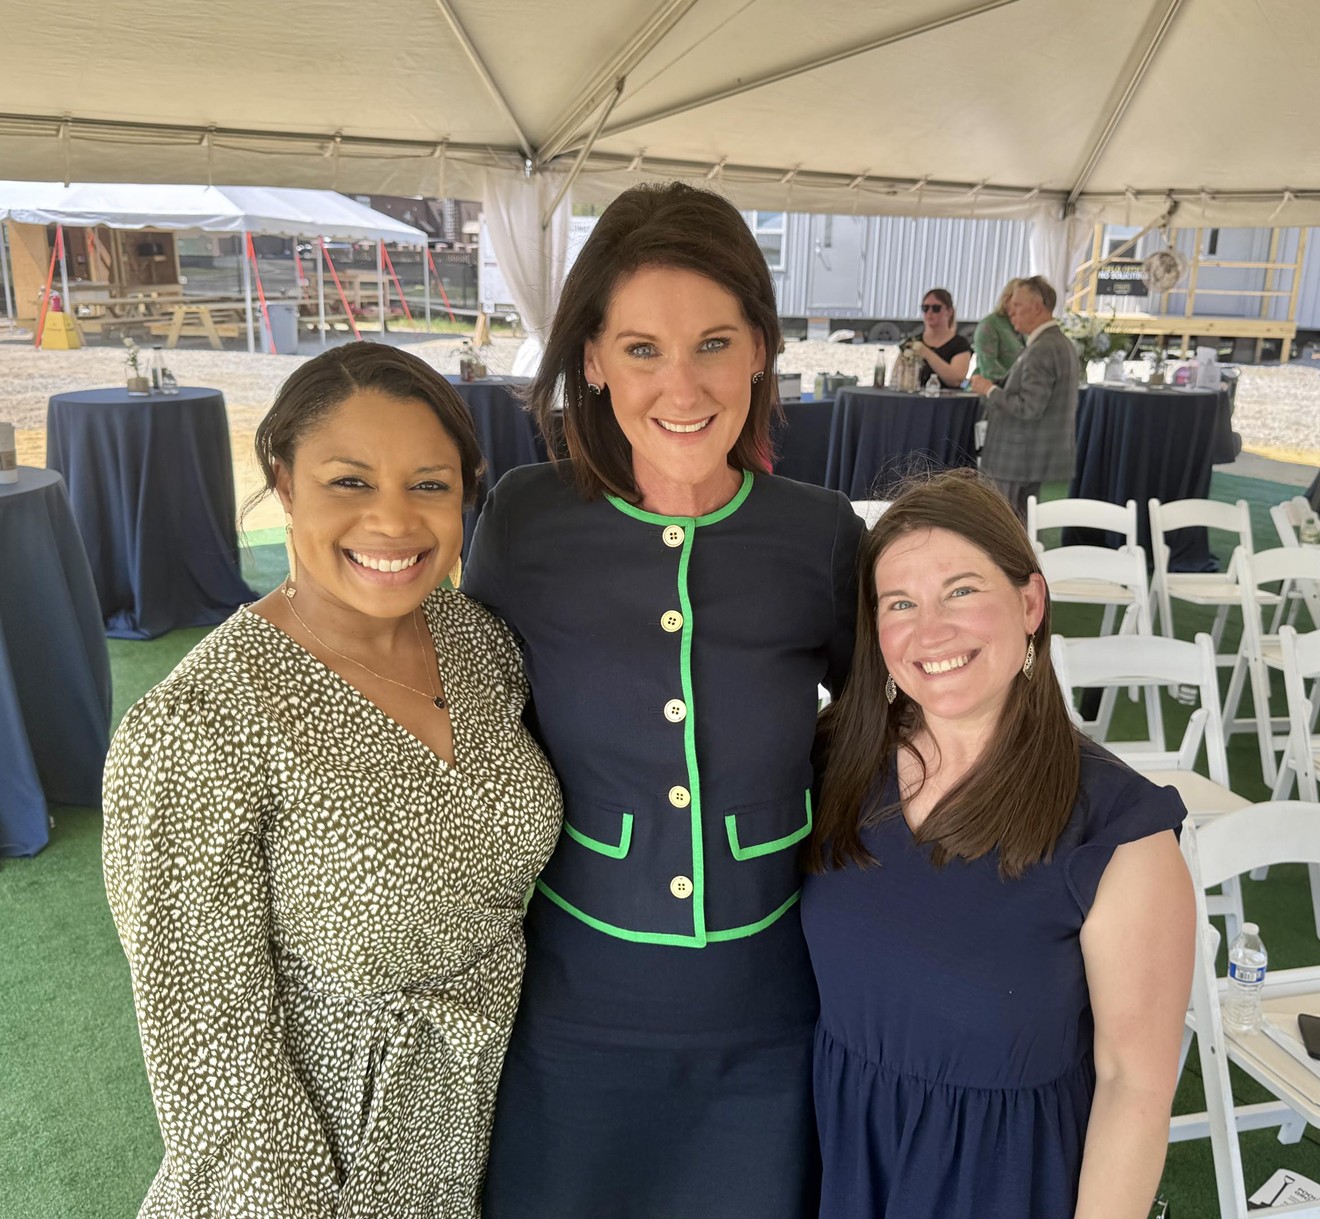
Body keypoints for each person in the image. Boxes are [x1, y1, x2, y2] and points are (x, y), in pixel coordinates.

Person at [464, 181, 865, 1219]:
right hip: (572, 1019)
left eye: (715, 343)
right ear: (590, 359)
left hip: (772, 1019)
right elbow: (459, 720)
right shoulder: (523, 520)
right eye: (641, 348)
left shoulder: (819, 535)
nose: (680, 384)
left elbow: (892, 729)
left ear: (763, 350)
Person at [102, 343, 562, 1218]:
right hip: (333, 1174)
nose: (393, 522)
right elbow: (219, 1070)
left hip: (506, 1135)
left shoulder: (476, 641)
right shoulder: (201, 728)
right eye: (350, 482)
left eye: (428, 484)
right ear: (283, 480)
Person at [801, 468, 1194, 1219]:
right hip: (841, 1164)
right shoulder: (832, 767)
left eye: (962, 590)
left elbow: (1133, 1085)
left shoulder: (1118, 833)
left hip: (1001, 1184)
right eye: (900, 603)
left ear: (1031, 602)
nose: (930, 631)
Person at [969, 274, 1080, 517]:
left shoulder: (1043, 348)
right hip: (1038, 459)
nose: (1011, 311)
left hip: (1018, 461)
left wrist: (989, 389)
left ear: (1037, 307)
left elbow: (1029, 407)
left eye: (1017, 305)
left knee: (1004, 533)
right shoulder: (1060, 344)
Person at [908, 287, 972, 388]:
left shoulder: (960, 344)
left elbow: (956, 379)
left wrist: (927, 354)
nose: (929, 312)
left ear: (949, 311)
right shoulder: (912, 342)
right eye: (925, 308)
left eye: (936, 308)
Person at [972, 277, 1025, 385]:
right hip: (993, 393)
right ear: (1007, 299)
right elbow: (989, 369)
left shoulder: (1025, 324)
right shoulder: (989, 325)